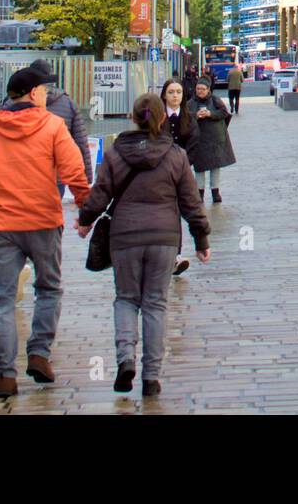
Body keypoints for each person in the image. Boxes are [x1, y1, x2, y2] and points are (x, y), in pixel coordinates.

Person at [0, 62, 89, 400]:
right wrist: (86, 210)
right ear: (33, 93)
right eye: (45, 91)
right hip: (44, 223)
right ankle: (39, 353)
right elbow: (74, 171)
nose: (47, 97)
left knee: (2, 301)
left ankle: (4, 375)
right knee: (48, 290)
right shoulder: (51, 126)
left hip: (3, 228)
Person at [77, 93, 211, 397]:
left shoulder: (114, 153)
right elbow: (191, 202)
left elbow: (99, 194)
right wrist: (201, 239)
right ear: (162, 118)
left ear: (133, 117)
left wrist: (85, 221)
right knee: (155, 303)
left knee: (125, 299)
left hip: (124, 237)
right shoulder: (176, 155)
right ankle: (151, 376)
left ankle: (126, 360)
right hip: (164, 238)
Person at [32, 59, 93, 199]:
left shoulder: (13, 102)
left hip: (24, 173)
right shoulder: (68, 103)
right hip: (57, 173)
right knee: (52, 212)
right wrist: (87, 177)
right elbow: (81, 142)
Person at [160, 78, 200, 276]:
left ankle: (176, 255)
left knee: (176, 213)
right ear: (164, 95)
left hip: (180, 173)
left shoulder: (189, 117)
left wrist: (184, 165)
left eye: (178, 92)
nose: (175, 96)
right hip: (158, 173)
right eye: (171, 92)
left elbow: (194, 143)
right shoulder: (156, 116)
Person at [187, 78, 235, 203]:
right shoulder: (190, 103)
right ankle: (199, 193)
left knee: (215, 166)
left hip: (214, 140)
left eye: (203, 89)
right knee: (199, 168)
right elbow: (185, 118)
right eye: (198, 89)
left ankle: (215, 192)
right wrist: (196, 115)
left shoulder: (215, 100)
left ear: (208, 89)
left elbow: (224, 112)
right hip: (199, 141)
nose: (200, 91)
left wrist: (210, 114)